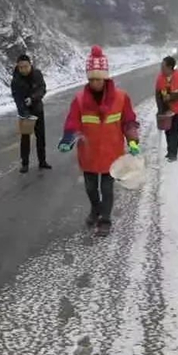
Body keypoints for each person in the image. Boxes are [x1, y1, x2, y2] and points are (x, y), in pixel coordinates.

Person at [58, 45, 140, 236]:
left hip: (112, 154)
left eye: (98, 78)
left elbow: (129, 122)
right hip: (89, 154)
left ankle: (105, 219)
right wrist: (67, 140)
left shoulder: (121, 98)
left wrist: (133, 141)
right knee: (90, 188)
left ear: (105, 77)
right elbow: (72, 123)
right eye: (92, 78)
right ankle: (95, 209)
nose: (95, 82)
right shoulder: (79, 100)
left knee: (107, 188)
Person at [11, 54, 51, 173]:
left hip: (37, 108)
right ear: (18, 67)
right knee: (25, 138)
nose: (23, 69)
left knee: (40, 137)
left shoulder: (37, 74)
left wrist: (33, 98)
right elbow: (17, 98)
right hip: (25, 111)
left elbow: (42, 88)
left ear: (30, 65)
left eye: (25, 66)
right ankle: (25, 164)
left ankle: (42, 161)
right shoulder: (16, 80)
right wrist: (24, 112)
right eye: (21, 67)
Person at [155, 56, 178, 162]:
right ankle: (170, 151)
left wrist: (172, 97)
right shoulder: (160, 78)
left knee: (175, 129)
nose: (161, 69)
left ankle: (173, 153)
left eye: (163, 67)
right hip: (167, 109)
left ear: (170, 67)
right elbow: (158, 95)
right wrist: (161, 110)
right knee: (168, 130)